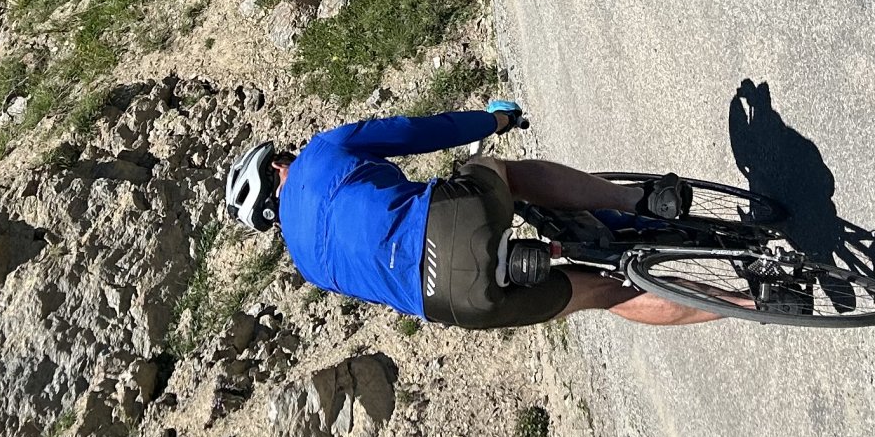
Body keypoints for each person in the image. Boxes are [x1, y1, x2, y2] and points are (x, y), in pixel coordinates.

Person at [220, 99, 717, 328]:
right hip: (451, 220)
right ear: (279, 165)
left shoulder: (308, 267)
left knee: (608, 294)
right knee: (498, 172)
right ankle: (637, 201)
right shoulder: (321, 152)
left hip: (453, 302)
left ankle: (746, 302)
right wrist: (493, 120)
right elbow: (418, 132)